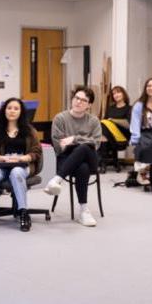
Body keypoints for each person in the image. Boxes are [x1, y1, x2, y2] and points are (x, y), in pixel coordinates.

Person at [43, 86, 101, 227]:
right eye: (77, 98)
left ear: (89, 105)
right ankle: (83, 210)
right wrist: (83, 140)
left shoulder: (93, 121)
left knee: (84, 148)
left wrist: (74, 139)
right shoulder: (60, 118)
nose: (79, 102)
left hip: (90, 157)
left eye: (83, 100)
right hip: (66, 158)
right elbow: (59, 145)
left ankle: (57, 179)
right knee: (82, 168)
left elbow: (96, 143)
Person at [0, 98, 42, 232]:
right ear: (4, 110)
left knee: (16, 172)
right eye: (9, 108)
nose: (12, 111)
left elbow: (37, 150)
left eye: (16, 108)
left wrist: (24, 157)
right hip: (3, 163)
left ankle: (23, 212)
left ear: (21, 112)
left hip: (22, 164)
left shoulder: (29, 130)